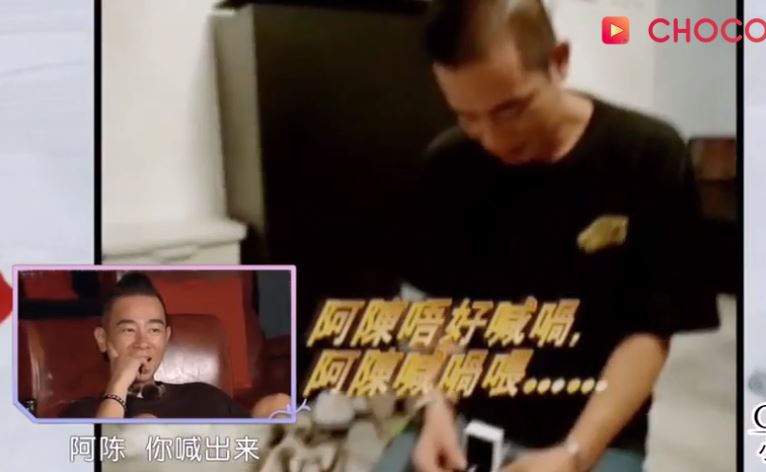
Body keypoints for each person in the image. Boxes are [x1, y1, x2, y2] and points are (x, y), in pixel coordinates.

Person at [376, 0, 721, 471]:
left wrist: (575, 454)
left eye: (511, 110)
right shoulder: (448, 164)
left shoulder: (648, 156)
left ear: (559, 61)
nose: (493, 140)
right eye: (467, 117)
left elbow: (649, 332)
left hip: (591, 430)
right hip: (466, 413)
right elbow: (431, 309)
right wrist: (435, 407)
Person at [60, 272, 290, 419]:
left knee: (279, 404)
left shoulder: (203, 396)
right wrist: (119, 384)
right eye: (128, 330)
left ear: (166, 337)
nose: (142, 343)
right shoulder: (82, 413)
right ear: (103, 339)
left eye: (154, 330)